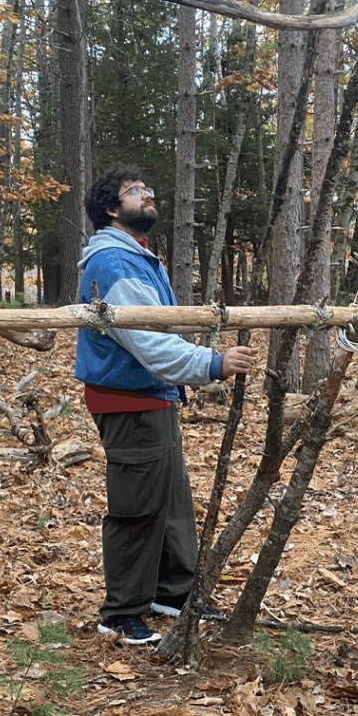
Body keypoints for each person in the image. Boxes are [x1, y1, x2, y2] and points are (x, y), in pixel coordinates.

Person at [75, 167, 256, 645]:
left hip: (151, 397)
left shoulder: (139, 258)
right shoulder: (114, 263)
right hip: (127, 401)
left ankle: (172, 592)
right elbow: (149, 344)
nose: (148, 196)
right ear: (112, 209)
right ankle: (121, 611)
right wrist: (213, 363)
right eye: (135, 192)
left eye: (149, 189)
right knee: (136, 508)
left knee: (171, 500)